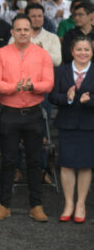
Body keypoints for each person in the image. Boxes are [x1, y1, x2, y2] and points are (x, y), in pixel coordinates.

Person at [0, 14, 54, 222]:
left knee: (35, 162)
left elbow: (49, 84)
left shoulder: (42, 54)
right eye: (19, 30)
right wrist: (13, 87)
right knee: (8, 162)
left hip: (34, 113)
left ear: (31, 30)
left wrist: (33, 86)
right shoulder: (1, 54)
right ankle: (4, 205)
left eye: (26, 29)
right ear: (12, 32)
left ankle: (36, 205)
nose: (23, 33)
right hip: (9, 114)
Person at [48, 36, 93, 223]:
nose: (83, 53)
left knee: (85, 165)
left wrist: (90, 101)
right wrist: (67, 98)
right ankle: (68, 203)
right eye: (79, 49)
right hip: (67, 123)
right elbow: (52, 96)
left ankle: (81, 204)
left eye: (87, 49)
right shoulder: (62, 71)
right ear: (72, 51)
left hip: (89, 125)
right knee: (66, 164)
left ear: (92, 52)